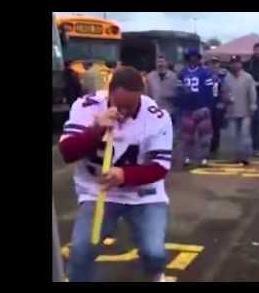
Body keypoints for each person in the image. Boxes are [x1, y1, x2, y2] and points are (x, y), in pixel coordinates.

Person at [59, 66, 173, 282]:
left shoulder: (157, 116)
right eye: (119, 105)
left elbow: (160, 167)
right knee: (81, 251)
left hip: (143, 194)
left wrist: (124, 175)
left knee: (153, 252)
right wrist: (95, 130)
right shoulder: (86, 106)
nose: (124, 112)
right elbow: (67, 153)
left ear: (142, 95)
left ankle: (156, 274)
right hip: (97, 190)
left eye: (130, 106)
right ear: (109, 93)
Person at [177, 48, 214, 167]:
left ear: (198, 58)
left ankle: (204, 157)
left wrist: (208, 105)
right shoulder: (182, 73)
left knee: (205, 136)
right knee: (188, 136)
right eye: (191, 57)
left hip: (202, 107)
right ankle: (188, 157)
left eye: (195, 57)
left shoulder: (205, 72)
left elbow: (210, 91)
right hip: (188, 108)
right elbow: (179, 90)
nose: (193, 59)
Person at [224, 55, 257, 165]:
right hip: (231, 111)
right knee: (233, 135)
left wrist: (253, 105)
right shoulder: (226, 78)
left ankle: (245, 157)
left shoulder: (248, 77)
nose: (235, 65)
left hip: (245, 110)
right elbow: (223, 92)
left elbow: (252, 92)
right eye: (233, 63)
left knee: (245, 135)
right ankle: (236, 156)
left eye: (237, 63)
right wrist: (226, 98)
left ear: (241, 64)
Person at [146, 56, 179, 124]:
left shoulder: (174, 77)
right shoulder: (150, 77)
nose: (160, 64)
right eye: (158, 62)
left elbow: (177, 94)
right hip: (154, 112)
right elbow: (147, 94)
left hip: (169, 111)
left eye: (162, 62)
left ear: (166, 63)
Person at [208, 56, 228, 158]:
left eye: (216, 63)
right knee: (207, 126)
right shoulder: (206, 75)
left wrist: (223, 102)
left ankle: (214, 147)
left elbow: (225, 90)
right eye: (212, 63)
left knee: (216, 127)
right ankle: (208, 147)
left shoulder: (222, 76)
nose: (214, 65)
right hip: (207, 103)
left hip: (217, 103)